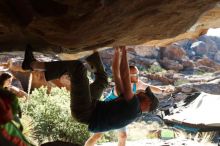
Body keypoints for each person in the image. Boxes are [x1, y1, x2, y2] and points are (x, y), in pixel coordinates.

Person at [21, 45, 159, 133]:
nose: (143, 92)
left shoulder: (134, 107)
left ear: (148, 103)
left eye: (146, 95)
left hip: (85, 111)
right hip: (92, 106)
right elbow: (116, 73)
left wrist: (123, 50)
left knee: (77, 68)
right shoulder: (131, 105)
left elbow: (124, 74)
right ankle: (91, 51)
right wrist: (118, 52)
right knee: (103, 80)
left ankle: (31, 64)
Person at [85, 65, 172, 146]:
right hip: (107, 111)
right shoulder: (120, 86)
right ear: (128, 75)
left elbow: (148, 87)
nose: (137, 76)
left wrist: (162, 91)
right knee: (97, 136)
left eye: (138, 73)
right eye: (135, 74)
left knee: (123, 136)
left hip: (121, 112)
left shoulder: (136, 83)